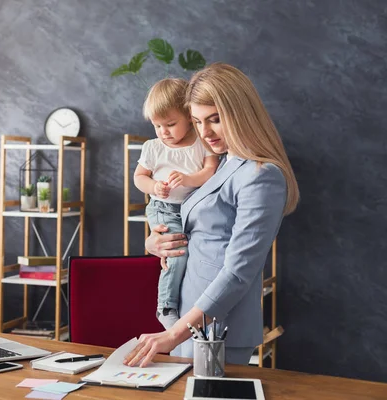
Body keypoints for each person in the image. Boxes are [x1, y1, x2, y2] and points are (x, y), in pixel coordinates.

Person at [124, 63, 300, 367]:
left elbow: (239, 272)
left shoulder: (261, 175)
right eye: (197, 121)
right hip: (189, 316)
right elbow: (198, 231)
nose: (204, 132)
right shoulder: (226, 163)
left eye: (215, 120)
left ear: (240, 113)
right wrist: (155, 243)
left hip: (217, 325)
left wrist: (175, 334)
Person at [134, 78, 219, 330]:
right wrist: (154, 187)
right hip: (163, 208)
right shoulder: (153, 147)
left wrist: (188, 178)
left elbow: (210, 172)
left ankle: (185, 307)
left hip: (191, 208)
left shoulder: (202, 142)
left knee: (190, 255)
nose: (164, 132)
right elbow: (139, 177)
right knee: (177, 255)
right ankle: (166, 306)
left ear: (188, 116)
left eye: (170, 124)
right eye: (157, 126)